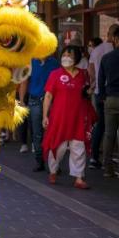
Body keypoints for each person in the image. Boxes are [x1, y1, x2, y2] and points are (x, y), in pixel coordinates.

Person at [42, 46, 96, 189]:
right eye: (64, 55)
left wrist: (89, 90)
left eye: (69, 55)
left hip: (78, 118)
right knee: (58, 147)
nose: (66, 57)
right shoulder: (55, 74)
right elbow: (48, 96)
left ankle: (78, 178)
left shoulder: (83, 75)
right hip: (59, 117)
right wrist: (45, 116)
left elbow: (86, 93)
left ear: (76, 58)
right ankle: (53, 171)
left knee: (78, 147)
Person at [88, 24, 119, 169]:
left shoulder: (99, 51)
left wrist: (98, 89)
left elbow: (94, 72)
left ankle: (98, 159)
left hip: (104, 96)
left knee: (104, 129)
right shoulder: (111, 50)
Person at [18, 55, 59, 171]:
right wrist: (21, 101)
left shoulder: (54, 62)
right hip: (34, 100)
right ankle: (39, 161)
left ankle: (54, 163)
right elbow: (24, 81)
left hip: (51, 101)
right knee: (37, 133)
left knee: (52, 131)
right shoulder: (30, 62)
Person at [98, 27, 119, 180]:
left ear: (115, 40)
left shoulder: (107, 57)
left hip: (110, 98)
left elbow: (101, 80)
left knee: (109, 133)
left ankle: (107, 167)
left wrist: (103, 96)